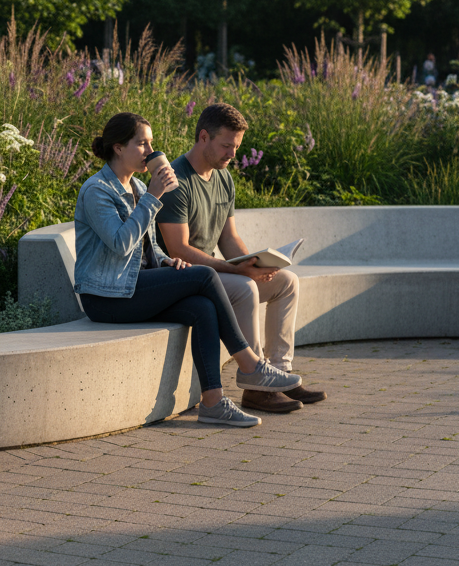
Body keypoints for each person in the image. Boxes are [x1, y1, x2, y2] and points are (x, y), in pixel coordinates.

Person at [74, 112, 301, 428]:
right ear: (118, 147)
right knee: (204, 275)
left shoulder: (137, 187)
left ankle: (212, 403)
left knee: (202, 307)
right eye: (142, 144)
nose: (151, 151)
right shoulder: (97, 190)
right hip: (105, 297)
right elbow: (120, 243)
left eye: (151, 143)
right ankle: (250, 364)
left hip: (133, 286)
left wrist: (168, 263)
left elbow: (147, 246)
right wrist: (154, 196)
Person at [156, 103, 327, 414]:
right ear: (203, 137)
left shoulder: (223, 178)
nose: (232, 154)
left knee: (286, 282)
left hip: (216, 273)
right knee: (245, 288)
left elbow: (229, 239)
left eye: (236, 147)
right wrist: (238, 271)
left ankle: (280, 375)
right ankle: (256, 386)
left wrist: (256, 264)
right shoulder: (176, 182)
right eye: (226, 146)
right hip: (186, 276)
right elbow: (178, 249)